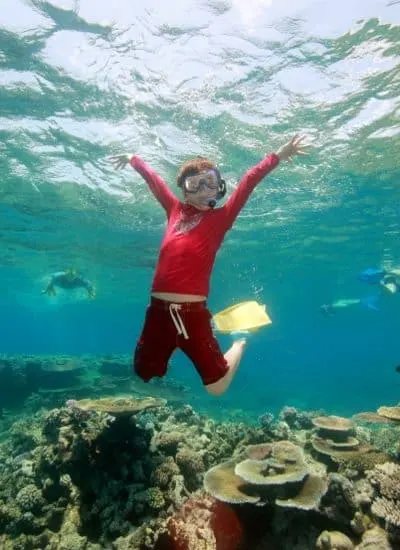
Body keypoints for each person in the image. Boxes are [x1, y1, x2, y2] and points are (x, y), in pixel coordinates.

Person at [110, 135, 309, 396]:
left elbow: (249, 181)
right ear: (184, 189)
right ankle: (172, 347)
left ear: (219, 188)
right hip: (157, 313)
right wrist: (134, 160)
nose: (203, 189)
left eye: (210, 183)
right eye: (195, 183)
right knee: (144, 374)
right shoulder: (174, 210)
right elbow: (156, 184)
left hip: (193, 315)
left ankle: (239, 342)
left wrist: (278, 156)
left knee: (217, 387)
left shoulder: (221, 218)